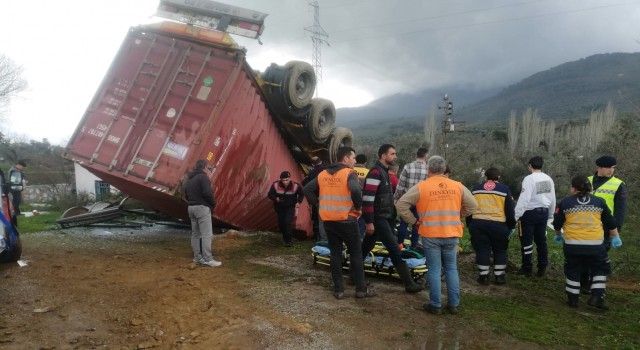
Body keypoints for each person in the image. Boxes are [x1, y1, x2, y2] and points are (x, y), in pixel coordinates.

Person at [396, 155, 477, 315]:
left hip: (430, 234)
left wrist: (414, 221)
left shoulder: (422, 187)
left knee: (434, 269)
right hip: (451, 233)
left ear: (429, 169)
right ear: (444, 169)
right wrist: (458, 215)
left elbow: (401, 204)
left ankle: (435, 305)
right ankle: (453, 304)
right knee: (451, 268)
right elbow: (473, 205)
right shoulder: (457, 186)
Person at [302, 147, 376, 299]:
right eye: (353, 158)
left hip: (329, 221)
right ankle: (361, 290)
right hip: (348, 220)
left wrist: (318, 204)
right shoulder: (349, 173)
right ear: (345, 159)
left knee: (335, 254)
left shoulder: (323, 174)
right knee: (356, 253)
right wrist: (358, 207)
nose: (355, 161)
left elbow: (307, 189)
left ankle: (339, 290)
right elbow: (356, 190)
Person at [362, 144, 423, 293]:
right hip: (378, 219)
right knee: (394, 249)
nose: (395, 156)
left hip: (385, 218)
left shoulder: (384, 173)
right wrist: (369, 221)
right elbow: (368, 199)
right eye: (392, 154)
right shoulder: (376, 173)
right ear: (383, 156)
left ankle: (353, 274)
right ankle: (409, 284)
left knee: (365, 247)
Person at [553, 175, 621, 310]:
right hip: (595, 245)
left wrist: (558, 235)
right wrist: (615, 237)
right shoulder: (599, 202)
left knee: (573, 269)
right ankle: (597, 298)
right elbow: (611, 222)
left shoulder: (565, 203)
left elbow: (557, 223)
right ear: (590, 188)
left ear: (573, 188)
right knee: (600, 268)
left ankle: (573, 299)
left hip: (572, 244)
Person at [580, 155, 628, 293]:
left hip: (605, 227)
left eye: (613, 167)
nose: (611, 170)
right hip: (585, 225)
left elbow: (620, 210)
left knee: (598, 257)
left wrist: (616, 232)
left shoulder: (619, 184)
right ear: (599, 167)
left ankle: (593, 285)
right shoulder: (587, 181)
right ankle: (583, 282)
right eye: (608, 167)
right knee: (583, 255)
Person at [467, 167, 516, 285]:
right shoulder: (504, 190)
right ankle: (499, 277)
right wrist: (511, 225)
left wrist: (470, 223)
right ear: (498, 177)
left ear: (485, 177)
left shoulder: (476, 189)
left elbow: (470, 207)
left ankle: (483, 277)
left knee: (482, 250)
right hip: (499, 225)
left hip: (478, 224)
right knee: (500, 250)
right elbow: (509, 210)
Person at [514, 156, 556, 277]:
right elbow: (552, 198)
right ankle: (542, 267)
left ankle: (527, 267)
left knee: (526, 241)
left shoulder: (529, 179)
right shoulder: (548, 179)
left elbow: (524, 199)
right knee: (541, 241)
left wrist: (516, 216)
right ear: (542, 166)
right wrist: (550, 215)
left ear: (529, 166)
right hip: (544, 212)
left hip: (529, 213)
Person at [185, 160, 221, 267]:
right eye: (208, 168)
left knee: (195, 234)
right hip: (202, 208)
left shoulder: (190, 179)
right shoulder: (203, 177)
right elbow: (207, 193)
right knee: (206, 234)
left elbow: (186, 194)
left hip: (191, 207)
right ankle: (208, 259)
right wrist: (213, 203)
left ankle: (197, 258)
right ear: (204, 167)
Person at [393, 147, 428, 250]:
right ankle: (414, 246)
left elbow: (400, 185)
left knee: (403, 222)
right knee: (416, 224)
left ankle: (400, 244)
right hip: (420, 201)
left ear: (416, 156)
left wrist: (396, 200)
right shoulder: (428, 169)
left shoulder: (408, 167)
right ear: (426, 157)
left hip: (407, 200)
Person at [268, 170, 304, 247]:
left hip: (290, 207)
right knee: (281, 224)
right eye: (283, 180)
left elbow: (301, 194)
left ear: (290, 178)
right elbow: (270, 194)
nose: (285, 182)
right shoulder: (275, 184)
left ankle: (288, 241)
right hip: (279, 207)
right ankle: (285, 237)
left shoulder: (296, 185)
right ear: (281, 179)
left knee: (287, 222)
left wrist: (298, 201)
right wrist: (276, 198)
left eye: (286, 180)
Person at [302, 156, 328, 241]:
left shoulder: (313, 172)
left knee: (319, 219)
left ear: (313, 164)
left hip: (319, 198)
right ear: (321, 161)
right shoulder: (328, 169)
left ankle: (320, 238)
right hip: (332, 198)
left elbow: (306, 185)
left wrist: (315, 202)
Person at [354, 154, 369, 238]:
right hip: (363, 197)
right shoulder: (368, 172)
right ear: (365, 162)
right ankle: (359, 237)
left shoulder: (350, 170)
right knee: (362, 217)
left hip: (350, 197)